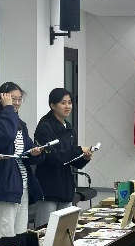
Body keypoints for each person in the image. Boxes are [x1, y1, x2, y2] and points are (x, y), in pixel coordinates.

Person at [0, 82, 45, 240]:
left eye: (19, 99)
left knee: (20, 232)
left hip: (22, 182)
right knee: (4, 233)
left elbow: (27, 148)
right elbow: (5, 137)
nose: (16, 103)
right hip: (4, 182)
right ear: (2, 98)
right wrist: (8, 109)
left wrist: (35, 152)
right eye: (12, 99)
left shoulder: (20, 124)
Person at [32, 88, 92, 227]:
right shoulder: (44, 127)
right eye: (63, 103)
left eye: (69, 103)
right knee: (45, 229)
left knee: (65, 230)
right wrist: (78, 150)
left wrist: (84, 158)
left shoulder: (68, 127)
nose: (67, 106)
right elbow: (54, 157)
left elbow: (72, 160)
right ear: (53, 105)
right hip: (48, 187)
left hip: (66, 187)